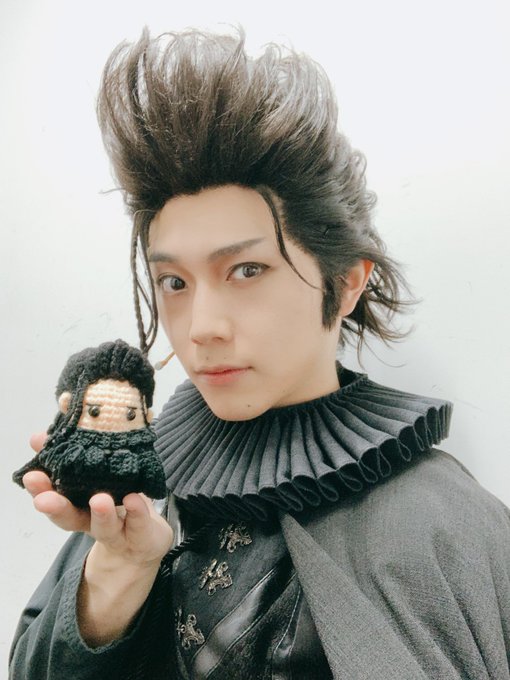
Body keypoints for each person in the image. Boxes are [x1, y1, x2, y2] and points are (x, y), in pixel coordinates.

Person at [9, 27, 510, 680]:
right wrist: (118, 575)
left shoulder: (443, 521)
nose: (202, 328)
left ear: (346, 282)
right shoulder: (140, 482)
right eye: (174, 282)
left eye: (247, 271)